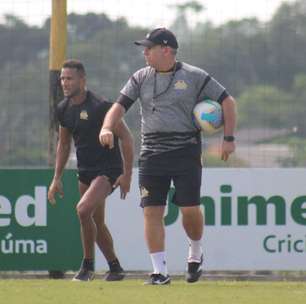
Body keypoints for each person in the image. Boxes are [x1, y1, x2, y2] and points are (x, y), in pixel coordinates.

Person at [100, 28, 236, 285]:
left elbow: (228, 102)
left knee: (189, 210)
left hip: (186, 152)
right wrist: (107, 127)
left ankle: (195, 250)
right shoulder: (140, 77)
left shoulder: (194, 76)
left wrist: (228, 138)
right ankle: (159, 272)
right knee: (151, 211)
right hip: (151, 154)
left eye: (148, 48)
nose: (144, 52)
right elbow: (118, 107)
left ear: (166, 50)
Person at [48, 59, 134, 282]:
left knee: (83, 210)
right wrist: (56, 178)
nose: (65, 83)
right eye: (62, 79)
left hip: (108, 170)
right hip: (84, 171)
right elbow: (64, 144)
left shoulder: (100, 106)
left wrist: (127, 174)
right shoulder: (63, 108)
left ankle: (86, 267)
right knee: (96, 221)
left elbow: (127, 138)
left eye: (69, 78)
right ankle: (115, 268)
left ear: (82, 80)